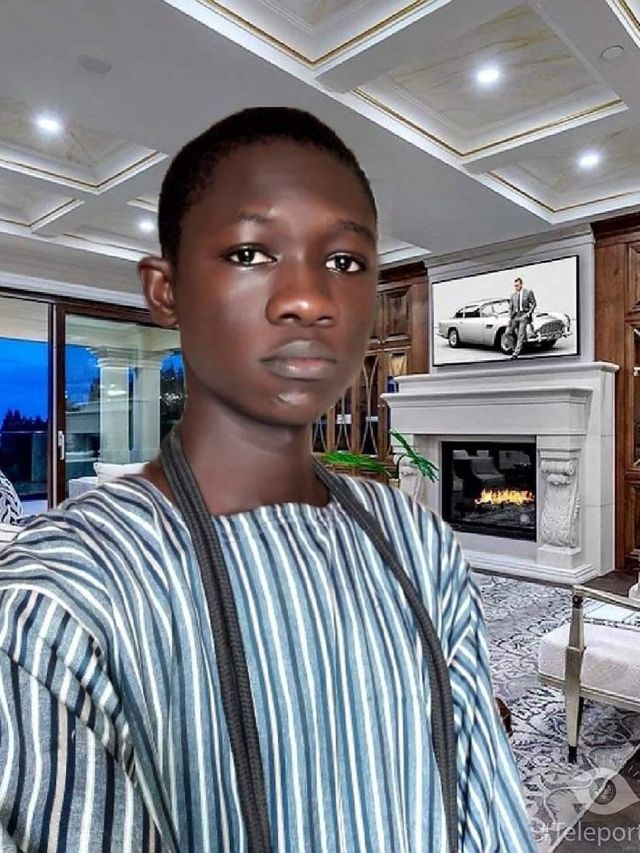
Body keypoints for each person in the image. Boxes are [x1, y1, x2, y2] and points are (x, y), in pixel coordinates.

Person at [0, 107, 537, 852]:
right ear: (166, 290)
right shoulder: (53, 607)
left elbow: (488, 812)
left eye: (344, 262)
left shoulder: (419, 541)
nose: (309, 299)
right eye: (251, 253)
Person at [507, 277, 536, 359]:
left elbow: (534, 304)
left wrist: (528, 314)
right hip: (515, 316)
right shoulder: (513, 295)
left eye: (517, 285)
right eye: (515, 286)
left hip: (524, 315)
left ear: (521, 285)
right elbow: (510, 308)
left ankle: (516, 353)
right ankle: (513, 348)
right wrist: (510, 319)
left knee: (520, 334)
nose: (516, 287)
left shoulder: (528, 292)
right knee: (508, 333)